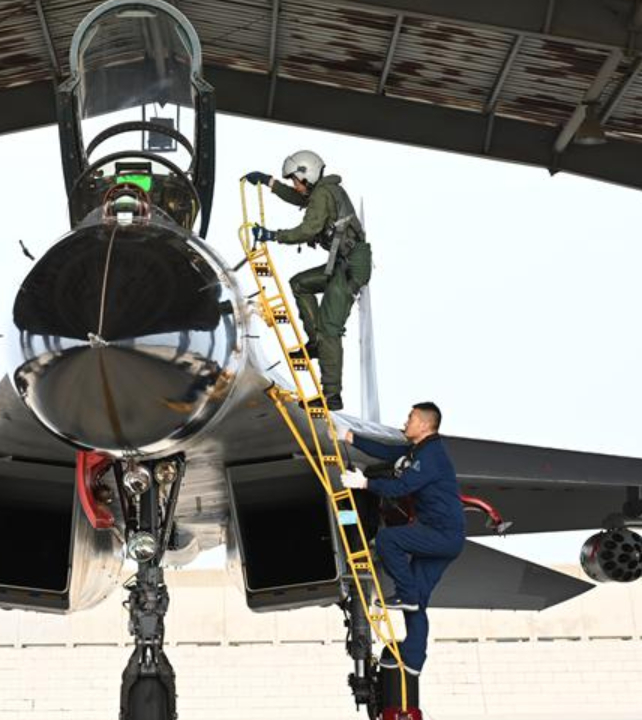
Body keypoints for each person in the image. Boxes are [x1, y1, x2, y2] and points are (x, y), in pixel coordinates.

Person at [339, 401, 465, 675]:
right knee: (417, 602)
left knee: (388, 541)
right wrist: (351, 437)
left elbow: (402, 487)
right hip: (443, 535)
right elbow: (388, 451)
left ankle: (405, 595)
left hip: (440, 533)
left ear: (424, 424)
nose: (406, 421)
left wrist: (365, 484)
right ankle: (413, 661)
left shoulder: (431, 456)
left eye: (411, 418)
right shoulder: (418, 450)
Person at [243, 150, 371, 410]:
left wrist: (273, 235)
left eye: (295, 180)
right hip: (341, 263)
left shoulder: (323, 194)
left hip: (350, 266)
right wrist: (270, 183)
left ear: (307, 175)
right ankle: (315, 344)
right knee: (299, 284)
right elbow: (298, 198)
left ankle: (332, 395)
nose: (295, 186)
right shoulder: (320, 192)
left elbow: (308, 230)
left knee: (330, 329)